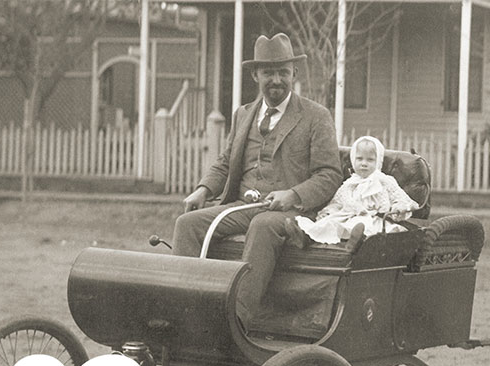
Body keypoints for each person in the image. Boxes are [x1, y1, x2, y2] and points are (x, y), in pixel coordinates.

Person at [171, 33, 342, 328]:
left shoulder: (316, 116)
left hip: (290, 213)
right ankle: (184, 315)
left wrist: (293, 194)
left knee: (263, 226)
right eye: (268, 73)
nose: (276, 80)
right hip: (242, 205)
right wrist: (203, 189)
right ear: (255, 75)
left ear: (294, 74)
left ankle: (236, 320)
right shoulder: (243, 114)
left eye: (283, 73)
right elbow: (226, 161)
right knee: (187, 224)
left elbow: (330, 175)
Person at [286, 136, 419, 247]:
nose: (364, 164)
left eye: (370, 160)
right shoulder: (350, 183)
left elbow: (401, 198)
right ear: (353, 159)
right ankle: (305, 237)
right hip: (348, 217)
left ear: (378, 161)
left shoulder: (384, 180)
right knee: (330, 222)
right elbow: (338, 201)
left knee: (362, 225)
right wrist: (328, 212)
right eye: (359, 159)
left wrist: (397, 207)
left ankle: (356, 243)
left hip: (374, 219)